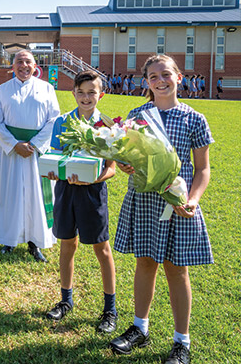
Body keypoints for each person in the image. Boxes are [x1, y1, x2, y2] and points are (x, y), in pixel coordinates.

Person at [109, 55, 213, 364]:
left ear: (179, 77)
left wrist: (192, 199)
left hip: (178, 204)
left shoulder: (194, 119)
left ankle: (182, 341)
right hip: (144, 201)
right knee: (145, 263)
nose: (160, 80)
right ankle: (140, 328)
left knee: (177, 270)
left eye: (166, 74)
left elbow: (203, 169)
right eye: (153, 76)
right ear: (146, 83)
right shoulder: (137, 114)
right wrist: (127, 165)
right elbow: (129, 158)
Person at [44, 70, 118, 333]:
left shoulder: (108, 127)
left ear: (101, 94)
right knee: (67, 244)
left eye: (92, 92)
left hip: (93, 194)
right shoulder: (62, 122)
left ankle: (110, 309)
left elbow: (112, 168)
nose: (86, 98)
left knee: (102, 248)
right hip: (65, 190)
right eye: (81, 92)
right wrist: (53, 170)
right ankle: (65, 300)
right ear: (73, 93)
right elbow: (54, 158)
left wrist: (95, 179)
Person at [0, 50, 60, 262]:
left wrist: (35, 144)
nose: (23, 65)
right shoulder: (1, 91)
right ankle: (9, 239)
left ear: (35, 65)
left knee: (36, 196)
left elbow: (53, 120)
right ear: (12, 66)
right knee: (11, 195)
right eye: (19, 62)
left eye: (28, 61)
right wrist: (14, 144)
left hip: (36, 152)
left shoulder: (46, 88)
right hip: (11, 152)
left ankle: (35, 242)